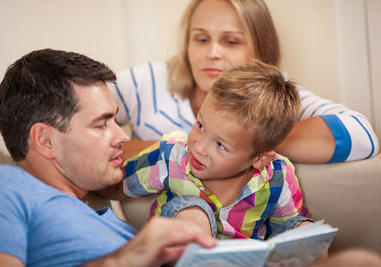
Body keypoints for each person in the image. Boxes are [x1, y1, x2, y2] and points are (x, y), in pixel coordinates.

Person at [0, 48, 217, 267]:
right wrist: (124, 259)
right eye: (102, 124)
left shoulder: (102, 218)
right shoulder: (2, 187)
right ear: (45, 141)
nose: (122, 137)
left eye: (115, 120)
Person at [111, 0, 378, 163]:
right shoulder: (150, 80)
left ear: (260, 51)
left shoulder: (277, 94)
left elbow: (361, 135)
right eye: (201, 39)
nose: (212, 52)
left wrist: (249, 143)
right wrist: (189, 150)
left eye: (231, 41)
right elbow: (76, 116)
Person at [112, 60, 311, 239]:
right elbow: (117, 184)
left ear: (259, 158)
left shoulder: (278, 176)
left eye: (221, 145)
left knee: (302, 230)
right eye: (200, 125)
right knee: (194, 213)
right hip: (177, 256)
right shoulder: (172, 155)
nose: (199, 147)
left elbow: (284, 232)